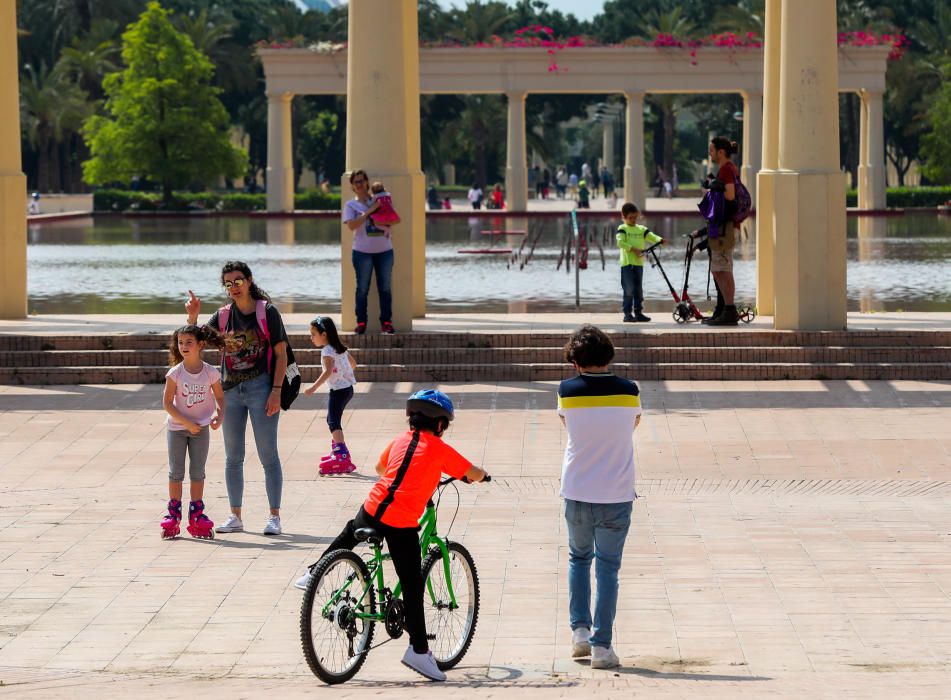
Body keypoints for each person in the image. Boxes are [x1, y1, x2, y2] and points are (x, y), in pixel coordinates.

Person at [295, 390, 489, 681]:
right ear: (439, 425)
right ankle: (419, 652)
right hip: (401, 522)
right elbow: (471, 471)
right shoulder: (439, 449)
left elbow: (379, 468)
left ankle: (315, 572)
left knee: (350, 531)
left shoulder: (399, 440)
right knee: (412, 585)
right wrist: (483, 475)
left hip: (373, 507)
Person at [557, 324, 641, 670]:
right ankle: (602, 648)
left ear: (575, 361)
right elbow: (633, 424)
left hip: (577, 489)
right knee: (608, 568)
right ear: (609, 355)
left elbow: (567, 424)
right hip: (617, 491)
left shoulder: (566, 390)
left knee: (579, 559)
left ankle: (580, 632)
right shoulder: (629, 390)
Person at [185, 261, 290, 535]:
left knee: (269, 455)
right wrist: (193, 317)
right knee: (233, 457)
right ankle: (235, 515)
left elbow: (281, 355)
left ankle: (274, 516)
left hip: (261, 388)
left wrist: (276, 391)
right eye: (228, 283)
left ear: (249, 280)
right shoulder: (222, 316)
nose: (233, 287)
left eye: (238, 281)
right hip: (230, 391)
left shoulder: (267, 311)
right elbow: (195, 342)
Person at [160, 325, 226, 539]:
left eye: (189, 342)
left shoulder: (210, 372)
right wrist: (186, 422)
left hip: (201, 429)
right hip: (178, 429)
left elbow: (220, 398)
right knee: (176, 473)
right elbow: (168, 404)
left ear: (200, 345)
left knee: (198, 473)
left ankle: (197, 514)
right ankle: (173, 514)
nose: (184, 346)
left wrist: (219, 415)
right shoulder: (175, 373)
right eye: (180, 342)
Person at [343, 170, 396, 335]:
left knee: (385, 288)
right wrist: (369, 212)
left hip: (385, 250)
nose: (359, 184)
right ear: (352, 186)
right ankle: (361, 323)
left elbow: (392, 219)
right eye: (355, 182)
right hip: (362, 252)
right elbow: (351, 226)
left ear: (367, 182)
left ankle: (386, 322)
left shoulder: (379, 200)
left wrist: (378, 210)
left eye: (361, 181)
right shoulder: (351, 205)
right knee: (362, 288)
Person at [304, 316, 358, 476]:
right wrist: (343, 375)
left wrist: (312, 388)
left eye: (313, 334)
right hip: (347, 389)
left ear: (324, 334)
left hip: (338, 391)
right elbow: (353, 363)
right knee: (332, 419)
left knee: (333, 422)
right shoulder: (339, 347)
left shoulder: (327, 351)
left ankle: (342, 456)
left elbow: (327, 371)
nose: (311, 337)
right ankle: (337, 451)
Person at [704, 136, 740, 326]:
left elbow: (730, 195)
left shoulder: (726, 169)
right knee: (718, 269)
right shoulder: (727, 169)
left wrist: (715, 187)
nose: (709, 154)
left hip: (725, 226)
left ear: (720, 152)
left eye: (711, 150)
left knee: (722, 269)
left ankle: (730, 310)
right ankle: (726, 309)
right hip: (723, 225)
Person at [616, 202, 665, 322]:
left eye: (635, 217)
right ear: (624, 217)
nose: (633, 220)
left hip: (639, 264)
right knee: (629, 290)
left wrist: (660, 239)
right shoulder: (622, 228)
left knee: (638, 290)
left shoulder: (641, 229)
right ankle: (627, 314)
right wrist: (633, 249)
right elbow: (620, 243)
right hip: (627, 264)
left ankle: (638, 313)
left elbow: (651, 236)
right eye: (630, 218)